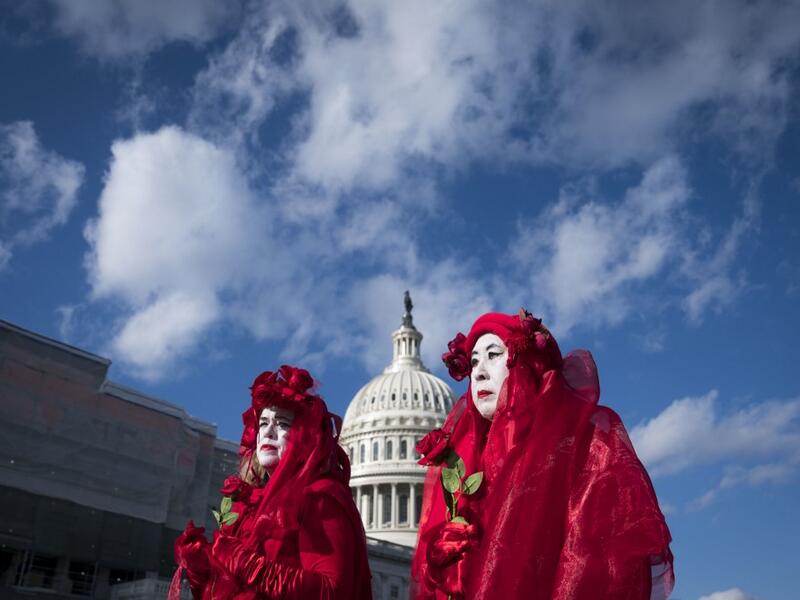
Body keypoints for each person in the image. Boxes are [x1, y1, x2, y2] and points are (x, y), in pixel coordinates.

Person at [411, 311, 674, 600]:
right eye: (473, 361)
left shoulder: (590, 450)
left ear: (528, 365)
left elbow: (599, 571)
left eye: (494, 355)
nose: (479, 372)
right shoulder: (469, 472)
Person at [170, 365, 372, 600]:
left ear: (305, 435)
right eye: (263, 423)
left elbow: (332, 590)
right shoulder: (247, 505)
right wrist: (201, 570)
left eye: (283, 423)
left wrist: (246, 563)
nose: (268, 432)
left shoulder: (320, 497)